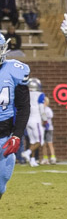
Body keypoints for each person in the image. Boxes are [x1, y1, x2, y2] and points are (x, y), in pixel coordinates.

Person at [0, 36, 30, 201]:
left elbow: (24, 106)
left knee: (0, 183)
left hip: (4, 135)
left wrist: (17, 134)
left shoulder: (15, 70)